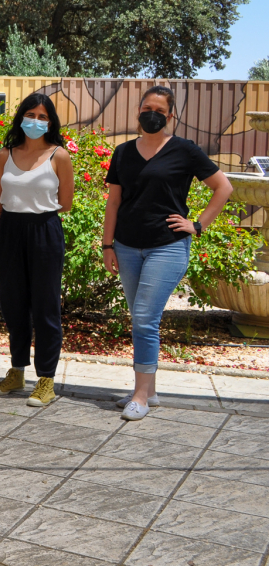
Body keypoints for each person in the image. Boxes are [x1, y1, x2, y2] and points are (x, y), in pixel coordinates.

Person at [103, 86, 231, 421]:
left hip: (168, 246)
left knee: (145, 318)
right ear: (138, 111)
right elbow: (114, 202)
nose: (152, 114)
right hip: (127, 246)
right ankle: (152, 391)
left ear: (170, 116)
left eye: (160, 110)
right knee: (142, 318)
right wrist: (107, 245)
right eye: (147, 107)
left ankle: (141, 395)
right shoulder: (123, 152)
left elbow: (223, 187)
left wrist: (198, 224)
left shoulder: (184, 151)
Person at [0, 93, 74, 407]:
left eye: (42, 116)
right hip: (9, 230)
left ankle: (46, 381)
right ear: (20, 117)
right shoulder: (4, 155)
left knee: (45, 307)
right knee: (13, 306)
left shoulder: (59, 156)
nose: (35, 121)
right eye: (30, 114)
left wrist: (38, 213)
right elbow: (0, 203)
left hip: (44, 231)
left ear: (50, 122)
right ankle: (16, 372)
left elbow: (66, 202)